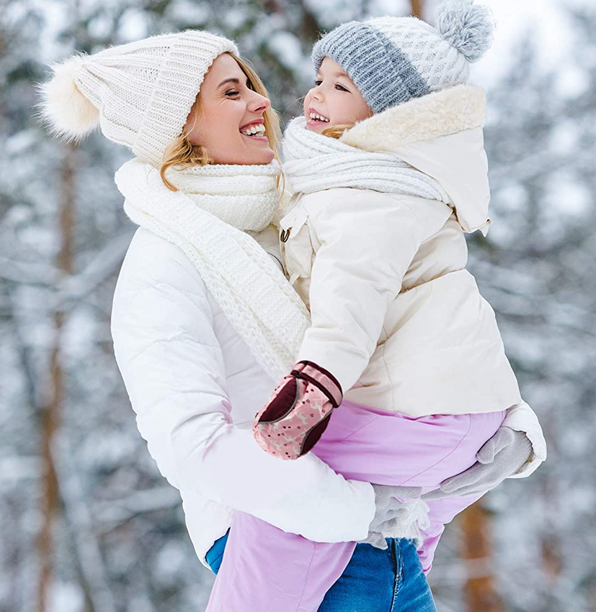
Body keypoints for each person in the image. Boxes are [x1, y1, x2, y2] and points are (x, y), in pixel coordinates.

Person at [38, 29, 442, 611]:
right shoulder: (165, 262)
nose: (261, 101)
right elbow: (191, 444)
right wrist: (351, 508)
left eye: (251, 84)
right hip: (286, 539)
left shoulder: (298, 216)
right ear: (180, 125)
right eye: (232, 92)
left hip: (387, 536)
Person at [208, 2, 548, 610]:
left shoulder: (370, 192)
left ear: (390, 113)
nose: (316, 95)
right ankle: (405, 571)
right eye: (319, 79)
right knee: (396, 524)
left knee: (276, 487)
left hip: (425, 413)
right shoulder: (383, 178)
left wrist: (312, 390)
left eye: (342, 86)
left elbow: (350, 302)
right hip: (455, 411)